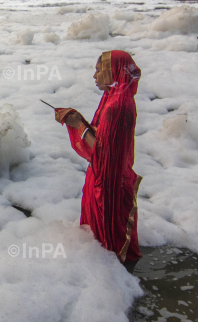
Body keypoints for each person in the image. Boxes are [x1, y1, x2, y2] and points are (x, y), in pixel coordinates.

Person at [54, 50, 143, 266]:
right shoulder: (116, 98)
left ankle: (113, 274)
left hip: (108, 182)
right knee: (98, 243)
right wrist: (80, 121)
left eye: (98, 70)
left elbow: (103, 150)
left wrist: (78, 125)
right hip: (109, 174)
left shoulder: (116, 107)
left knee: (107, 246)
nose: (95, 76)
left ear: (114, 72)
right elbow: (106, 139)